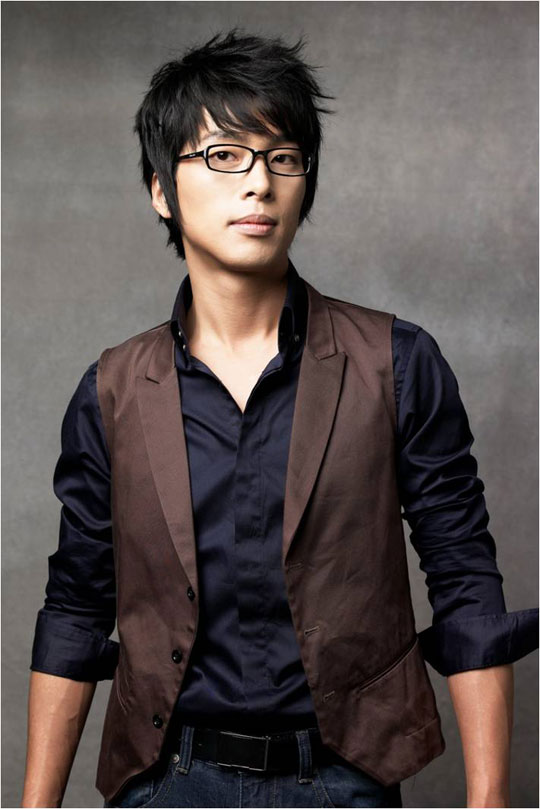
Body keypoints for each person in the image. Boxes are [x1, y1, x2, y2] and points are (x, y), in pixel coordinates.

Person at [22, 29, 538, 809]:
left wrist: (489, 799)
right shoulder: (113, 388)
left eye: (284, 157)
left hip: (344, 779)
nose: (259, 183)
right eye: (225, 155)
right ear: (161, 190)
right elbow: (74, 608)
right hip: (166, 782)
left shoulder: (396, 362)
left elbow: (465, 579)